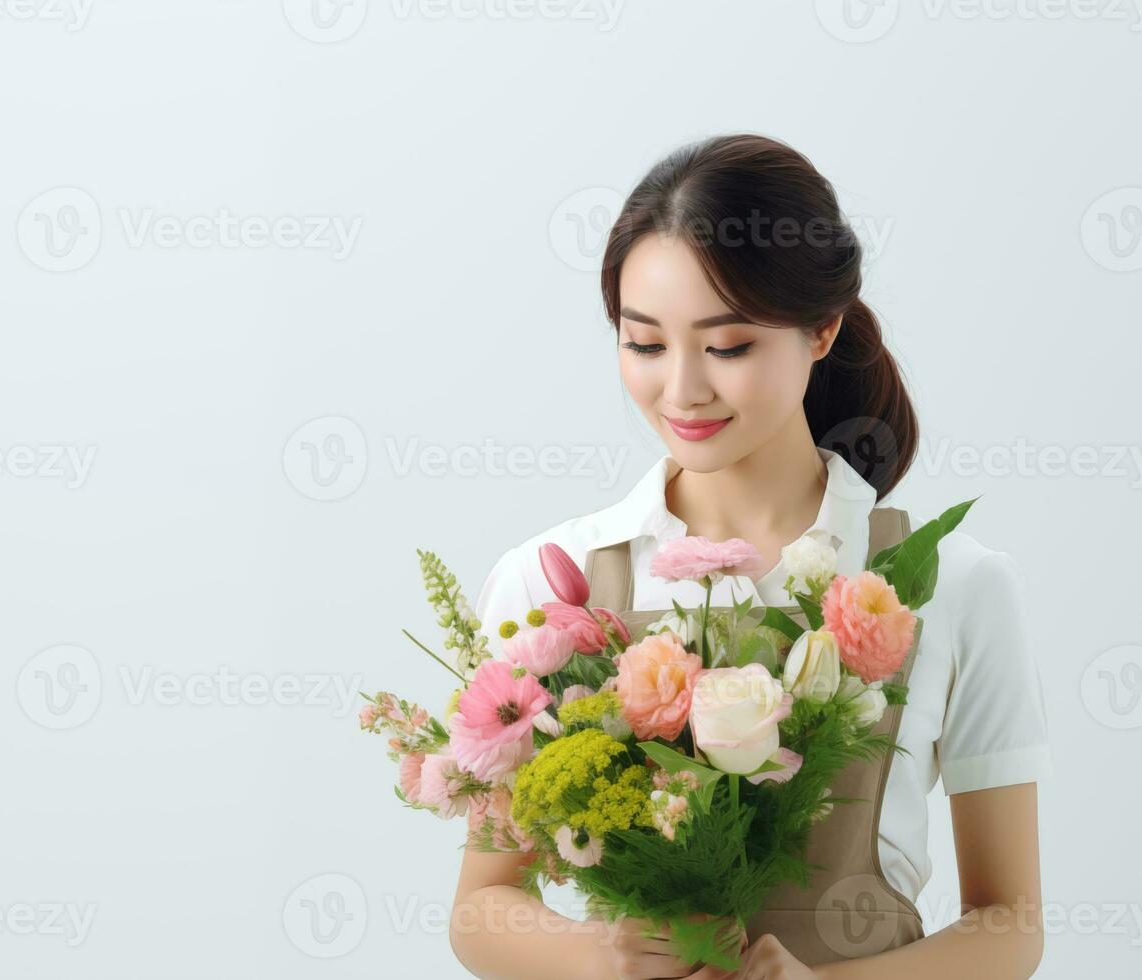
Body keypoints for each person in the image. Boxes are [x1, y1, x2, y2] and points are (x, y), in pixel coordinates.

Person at [448, 134, 1051, 980]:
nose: (682, 390)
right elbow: (481, 905)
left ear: (821, 329)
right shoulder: (553, 578)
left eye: (727, 347)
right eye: (645, 345)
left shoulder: (952, 582)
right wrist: (597, 955)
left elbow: (1010, 921)